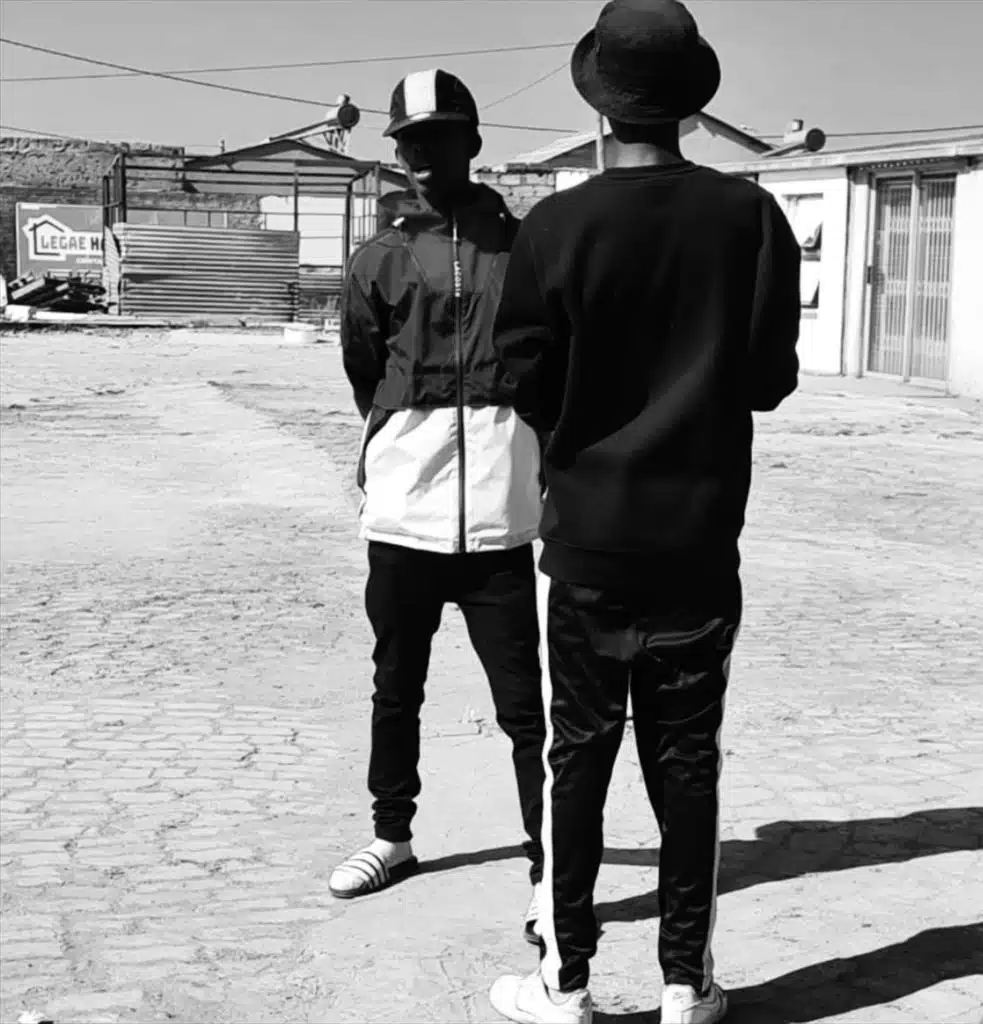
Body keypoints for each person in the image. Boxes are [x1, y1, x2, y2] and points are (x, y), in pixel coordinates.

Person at [486, 2, 802, 1021]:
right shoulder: (750, 219)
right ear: (690, 105)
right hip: (699, 541)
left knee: (575, 758)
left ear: (599, 104)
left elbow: (520, 375)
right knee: (688, 762)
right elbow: (767, 381)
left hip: (587, 540)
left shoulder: (553, 226)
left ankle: (565, 980)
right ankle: (683, 981)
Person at [333, 68, 547, 946]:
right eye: (410, 141)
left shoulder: (523, 248)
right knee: (397, 688)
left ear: (472, 142)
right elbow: (363, 368)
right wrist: (403, 444)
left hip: (499, 520)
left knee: (526, 708)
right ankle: (392, 837)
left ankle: (550, 868)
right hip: (404, 520)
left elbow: (549, 356)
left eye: (439, 138)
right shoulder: (377, 258)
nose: (423, 155)